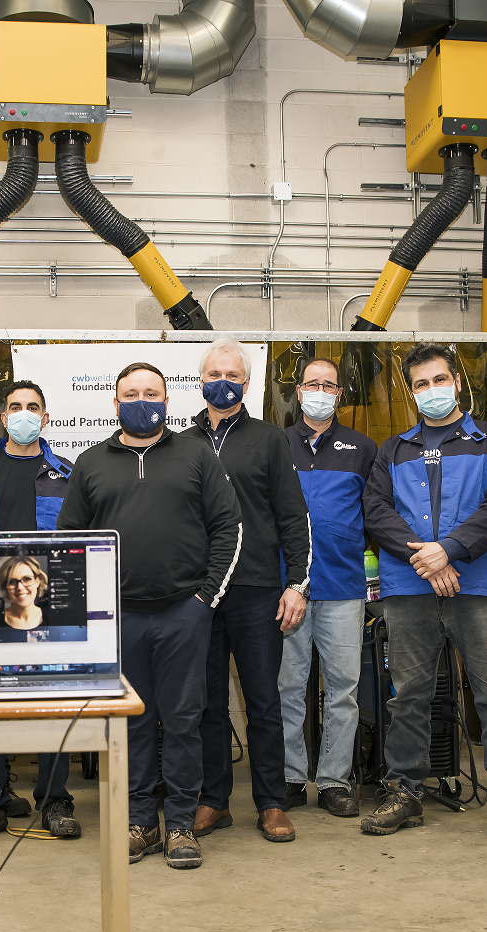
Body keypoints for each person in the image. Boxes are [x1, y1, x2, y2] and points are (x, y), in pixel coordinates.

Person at [58, 362, 242, 870]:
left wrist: (205, 599)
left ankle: (181, 823)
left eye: (152, 393)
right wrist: (91, 612)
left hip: (185, 611)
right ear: (115, 404)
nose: (143, 401)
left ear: (168, 399)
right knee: (132, 723)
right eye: (132, 394)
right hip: (119, 618)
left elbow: (228, 526)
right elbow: (69, 539)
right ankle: (140, 821)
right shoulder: (91, 462)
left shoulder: (195, 454)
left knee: (184, 721)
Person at [362, 343, 487, 842]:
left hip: (476, 586)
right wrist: (427, 557)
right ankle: (405, 791)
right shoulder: (392, 450)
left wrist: (451, 550)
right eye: (421, 384)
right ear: (411, 392)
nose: (431, 390)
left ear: (457, 381)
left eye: (439, 380)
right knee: (408, 695)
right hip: (409, 587)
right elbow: (376, 511)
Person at [182, 338, 311, 845]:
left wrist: (296, 584)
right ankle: (214, 800)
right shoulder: (181, 443)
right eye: (215, 373)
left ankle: (272, 802)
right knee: (207, 704)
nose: (224, 381)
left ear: (247, 382)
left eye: (233, 374)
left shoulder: (269, 440)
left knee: (263, 702)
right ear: (200, 381)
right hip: (199, 594)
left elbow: (293, 518)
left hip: (258, 590)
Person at [0, 381, 80, 842]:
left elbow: (81, 545)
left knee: (54, 703)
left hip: (50, 607)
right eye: (15, 407)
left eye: (33, 407)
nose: (24, 413)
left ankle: (54, 800)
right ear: (2, 418)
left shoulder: (66, 473)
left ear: (46, 417)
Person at [277, 357, 377, 818]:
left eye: (330, 385)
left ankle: (335, 780)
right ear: (298, 392)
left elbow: (376, 517)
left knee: (343, 689)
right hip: (288, 588)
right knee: (287, 686)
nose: (321, 391)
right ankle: (292, 777)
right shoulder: (276, 445)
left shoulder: (362, 449)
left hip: (343, 586)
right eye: (312, 384)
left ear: (340, 394)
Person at [0, 555, 48, 633]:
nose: (20, 587)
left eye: (27, 579)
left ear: (37, 581)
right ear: (6, 586)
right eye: (12, 582)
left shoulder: (53, 617)